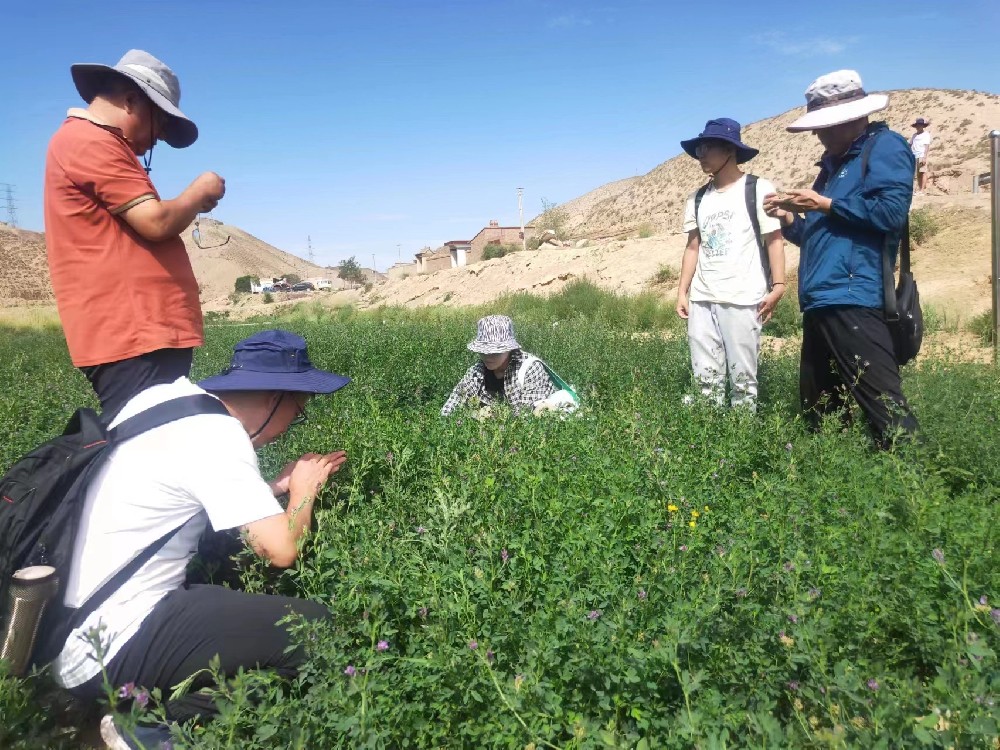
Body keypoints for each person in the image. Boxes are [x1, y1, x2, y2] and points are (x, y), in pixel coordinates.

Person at [50, 330, 350, 748]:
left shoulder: (168, 405)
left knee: (227, 565)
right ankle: (148, 728)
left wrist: (273, 490)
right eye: (298, 411)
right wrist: (304, 491)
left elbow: (189, 498)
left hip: (68, 637)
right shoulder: (215, 434)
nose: (292, 425)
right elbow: (280, 551)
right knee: (318, 631)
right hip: (110, 650)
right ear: (274, 399)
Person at [44, 49, 227, 419]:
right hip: (134, 334)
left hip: (143, 333)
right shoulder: (90, 140)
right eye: (160, 125)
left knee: (161, 435)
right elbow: (155, 222)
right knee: (153, 439)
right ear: (131, 101)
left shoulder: (97, 142)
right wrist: (198, 191)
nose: (156, 140)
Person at [763, 70, 919, 449]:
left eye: (825, 126)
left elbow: (890, 213)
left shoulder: (885, 147)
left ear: (854, 118)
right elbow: (814, 236)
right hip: (821, 299)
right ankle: (833, 475)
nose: (818, 135)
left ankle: (916, 477)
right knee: (821, 411)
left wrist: (824, 203)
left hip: (854, 296)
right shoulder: (831, 169)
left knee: (886, 410)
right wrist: (787, 217)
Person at [676, 118, 786, 409]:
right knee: (705, 378)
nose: (700, 155)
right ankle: (709, 430)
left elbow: (774, 239)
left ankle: (742, 434)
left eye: (707, 148)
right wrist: (682, 292)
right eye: (699, 148)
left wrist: (779, 285)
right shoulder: (697, 198)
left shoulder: (758, 189)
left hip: (743, 297)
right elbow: (693, 246)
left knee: (743, 379)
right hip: (702, 298)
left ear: (730, 150)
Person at [441, 315, 572, 416]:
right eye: (483, 352)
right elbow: (453, 402)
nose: (487, 357)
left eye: (494, 352)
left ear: (509, 349)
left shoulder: (530, 369)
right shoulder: (477, 371)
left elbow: (527, 418)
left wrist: (489, 417)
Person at [909, 117, 932, 193]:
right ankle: (917, 189)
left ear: (923, 126)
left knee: (923, 172)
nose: (918, 126)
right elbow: (910, 145)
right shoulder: (914, 135)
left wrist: (924, 157)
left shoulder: (926, 134)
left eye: (920, 125)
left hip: (921, 155)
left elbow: (927, 146)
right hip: (914, 156)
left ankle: (922, 190)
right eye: (917, 125)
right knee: (916, 174)